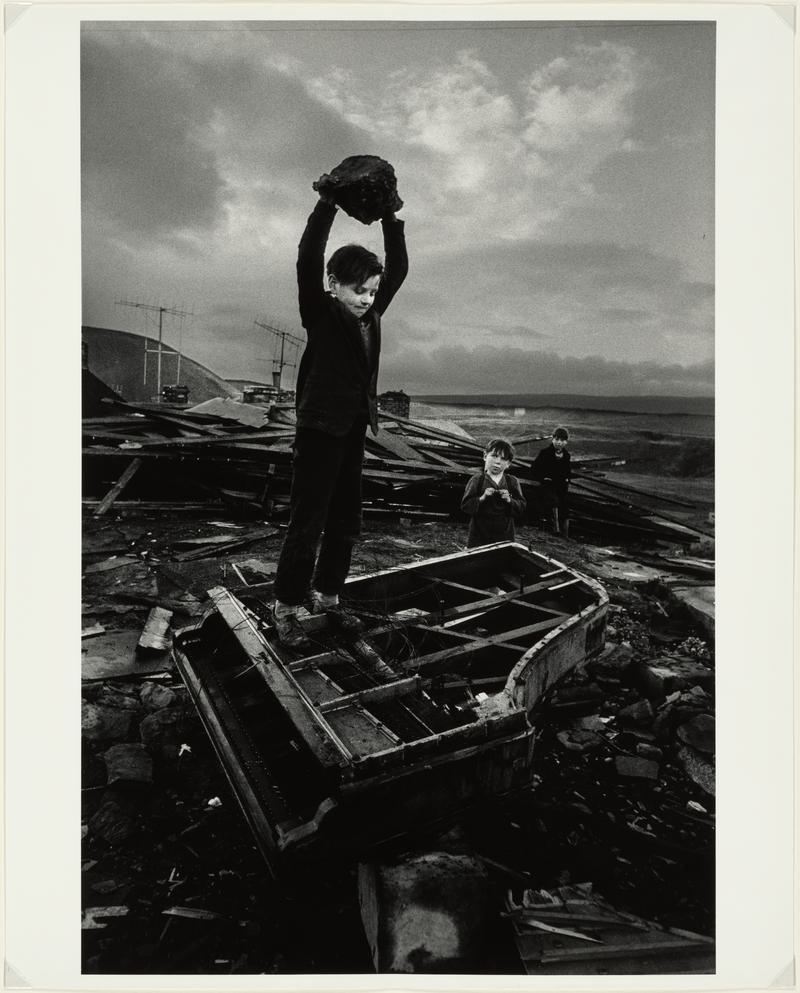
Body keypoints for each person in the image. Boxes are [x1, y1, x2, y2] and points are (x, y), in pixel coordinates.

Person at [271, 188, 408, 649]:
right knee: (307, 522)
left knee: (346, 519)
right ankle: (286, 607)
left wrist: (390, 217)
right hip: (318, 431)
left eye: (372, 290)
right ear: (333, 283)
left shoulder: (371, 316)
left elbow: (400, 268)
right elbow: (308, 256)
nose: (368, 298)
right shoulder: (320, 312)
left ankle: (327, 598)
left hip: (351, 429)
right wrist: (327, 203)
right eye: (358, 290)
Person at [461, 438, 526, 548]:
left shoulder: (512, 482)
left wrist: (509, 500)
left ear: (508, 464)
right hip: (479, 535)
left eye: (503, 459)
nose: (498, 462)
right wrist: (482, 498)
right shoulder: (477, 480)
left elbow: (522, 506)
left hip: (504, 535)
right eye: (494, 456)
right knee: (478, 562)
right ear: (485, 456)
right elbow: (465, 506)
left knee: (501, 562)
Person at [532, 426, 572, 537]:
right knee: (553, 501)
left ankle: (565, 534)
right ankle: (556, 530)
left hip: (561, 487)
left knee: (565, 506)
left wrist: (567, 479)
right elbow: (534, 469)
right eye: (557, 439)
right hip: (547, 486)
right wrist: (543, 478)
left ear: (566, 442)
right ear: (552, 439)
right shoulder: (545, 453)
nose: (559, 442)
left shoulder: (566, 456)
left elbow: (568, 472)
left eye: (562, 440)